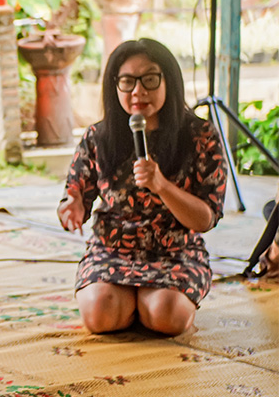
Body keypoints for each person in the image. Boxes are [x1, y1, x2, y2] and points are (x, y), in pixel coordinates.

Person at [57, 38, 227, 336]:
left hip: (176, 251)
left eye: (149, 79)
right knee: (101, 317)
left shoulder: (201, 135)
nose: (138, 91)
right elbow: (74, 200)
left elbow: (205, 219)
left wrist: (161, 185)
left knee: (166, 318)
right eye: (127, 81)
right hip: (112, 249)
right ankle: (129, 302)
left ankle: (149, 303)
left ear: (168, 81)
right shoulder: (98, 136)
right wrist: (70, 206)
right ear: (115, 86)